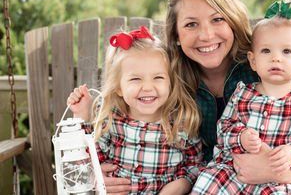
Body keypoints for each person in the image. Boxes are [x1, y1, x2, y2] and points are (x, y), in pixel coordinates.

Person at [102, 0, 291, 194]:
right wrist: (99, 171)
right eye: (191, 24)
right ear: (176, 35)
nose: (207, 35)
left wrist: (274, 172)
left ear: (232, 21)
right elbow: (124, 127)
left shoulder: (272, 70)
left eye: (217, 19)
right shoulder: (164, 82)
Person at [191, 0, 291, 194]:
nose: (276, 57)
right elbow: (224, 128)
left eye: (287, 51)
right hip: (236, 175)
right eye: (266, 50)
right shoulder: (242, 94)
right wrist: (241, 137)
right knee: (208, 182)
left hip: (285, 179)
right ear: (253, 60)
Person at [66, 26, 202, 195]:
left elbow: (195, 164)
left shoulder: (181, 121)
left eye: (158, 77)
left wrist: (182, 184)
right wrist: (81, 115)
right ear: (118, 88)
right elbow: (88, 159)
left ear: (170, 82)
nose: (147, 87)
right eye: (136, 79)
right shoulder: (111, 119)